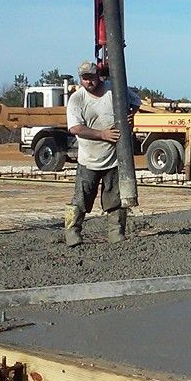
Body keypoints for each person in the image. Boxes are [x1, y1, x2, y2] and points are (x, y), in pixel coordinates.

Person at [62, 61, 141, 247]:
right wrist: (102, 134)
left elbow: (136, 101)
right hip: (89, 160)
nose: (89, 81)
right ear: (80, 79)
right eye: (85, 78)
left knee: (115, 199)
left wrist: (131, 114)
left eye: (91, 77)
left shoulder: (114, 89)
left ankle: (116, 233)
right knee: (81, 199)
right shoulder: (77, 99)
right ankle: (72, 233)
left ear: (98, 75)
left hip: (113, 158)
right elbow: (75, 128)